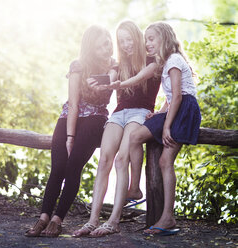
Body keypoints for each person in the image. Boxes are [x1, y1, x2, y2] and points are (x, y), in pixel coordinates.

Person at [24, 25, 117, 238]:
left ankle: (58, 220)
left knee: (73, 166)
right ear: (91, 48)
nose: (107, 47)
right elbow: (74, 104)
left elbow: (113, 76)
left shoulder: (114, 66)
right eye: (102, 45)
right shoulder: (78, 65)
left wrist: (104, 79)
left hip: (95, 119)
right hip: (69, 118)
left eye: (108, 42)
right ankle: (43, 218)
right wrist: (70, 136)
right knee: (57, 167)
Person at [73, 20, 161, 238]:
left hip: (140, 112)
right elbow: (113, 77)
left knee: (122, 159)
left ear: (138, 37)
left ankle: (114, 220)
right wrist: (105, 83)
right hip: (119, 113)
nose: (126, 45)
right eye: (121, 42)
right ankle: (93, 220)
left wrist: (161, 111)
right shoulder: (119, 64)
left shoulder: (153, 59)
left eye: (129, 39)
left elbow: (162, 84)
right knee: (104, 160)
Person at [128, 21, 201, 236]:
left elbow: (178, 96)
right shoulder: (168, 62)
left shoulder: (175, 60)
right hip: (175, 109)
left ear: (165, 39)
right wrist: (159, 113)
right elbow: (170, 99)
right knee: (135, 136)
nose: (147, 43)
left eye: (151, 39)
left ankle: (168, 217)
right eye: (146, 40)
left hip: (185, 111)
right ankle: (134, 187)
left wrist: (166, 126)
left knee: (164, 161)